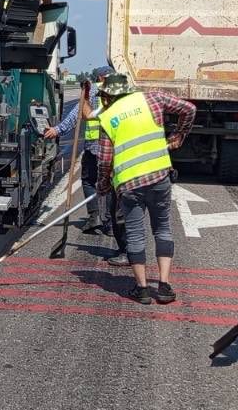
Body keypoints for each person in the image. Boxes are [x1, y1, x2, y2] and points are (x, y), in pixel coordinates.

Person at [92, 73, 196, 304]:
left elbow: (105, 160)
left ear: (109, 96)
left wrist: (103, 185)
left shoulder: (108, 118)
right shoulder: (153, 99)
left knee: (135, 233)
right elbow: (188, 109)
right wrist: (179, 135)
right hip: (159, 177)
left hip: (129, 185)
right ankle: (164, 284)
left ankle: (141, 289)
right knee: (162, 228)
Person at [44, 65, 114, 234]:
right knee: (111, 184)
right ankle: (110, 222)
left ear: (99, 78)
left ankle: (94, 215)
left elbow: (75, 116)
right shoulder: (120, 94)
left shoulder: (92, 91)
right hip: (113, 149)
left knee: (89, 180)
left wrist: (56, 130)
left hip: (93, 148)